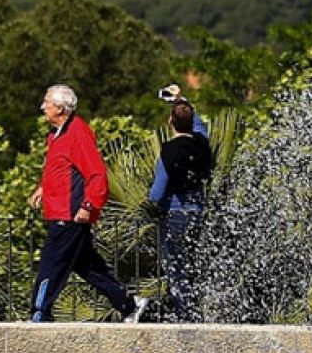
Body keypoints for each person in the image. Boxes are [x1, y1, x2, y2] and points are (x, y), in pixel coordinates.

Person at [28, 84, 149, 323]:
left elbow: (96, 175)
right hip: (59, 211)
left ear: (60, 108)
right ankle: (128, 304)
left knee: (51, 264)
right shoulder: (56, 135)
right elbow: (62, 169)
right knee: (87, 266)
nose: (43, 107)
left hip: (69, 214)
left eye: (47, 103)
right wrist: (42, 188)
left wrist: (88, 206)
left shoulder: (77, 133)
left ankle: (40, 312)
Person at [146, 97, 212, 321]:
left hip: (175, 214)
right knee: (192, 265)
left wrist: (150, 202)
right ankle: (196, 311)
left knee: (177, 267)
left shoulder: (169, 151)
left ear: (170, 121)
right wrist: (183, 101)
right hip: (197, 213)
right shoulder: (202, 144)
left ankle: (183, 315)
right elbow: (200, 127)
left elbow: (156, 193)